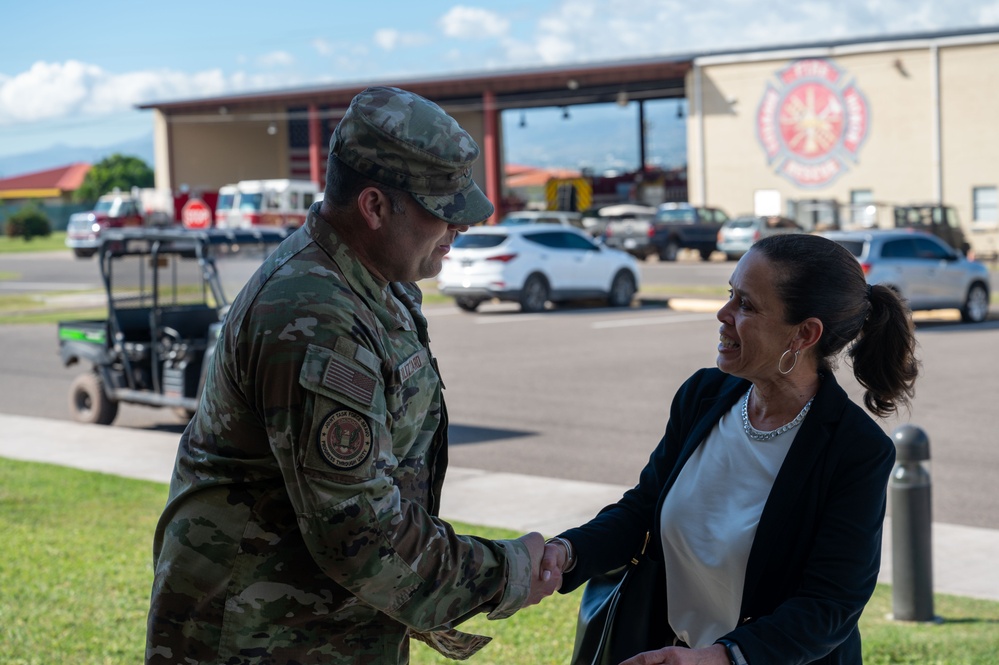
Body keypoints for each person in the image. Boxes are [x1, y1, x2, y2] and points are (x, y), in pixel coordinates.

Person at [146, 86, 560, 664]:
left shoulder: (374, 284)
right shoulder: (315, 315)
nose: (460, 229)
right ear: (374, 207)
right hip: (257, 637)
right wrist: (510, 570)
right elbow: (362, 538)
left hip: (320, 628)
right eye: (443, 211)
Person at [543, 233, 919, 665]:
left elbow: (830, 605)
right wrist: (566, 553)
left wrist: (724, 657)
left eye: (746, 305)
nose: (723, 314)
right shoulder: (702, 394)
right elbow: (641, 510)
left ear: (804, 334)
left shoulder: (855, 450)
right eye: (729, 295)